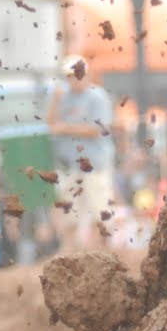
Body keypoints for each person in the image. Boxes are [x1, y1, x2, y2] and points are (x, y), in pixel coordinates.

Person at [47, 56, 117, 249]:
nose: (74, 79)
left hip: (94, 163)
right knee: (70, 215)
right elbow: (51, 125)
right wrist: (55, 101)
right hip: (70, 164)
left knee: (100, 211)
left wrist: (66, 128)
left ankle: (103, 252)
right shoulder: (62, 96)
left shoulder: (97, 96)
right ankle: (71, 253)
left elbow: (98, 130)